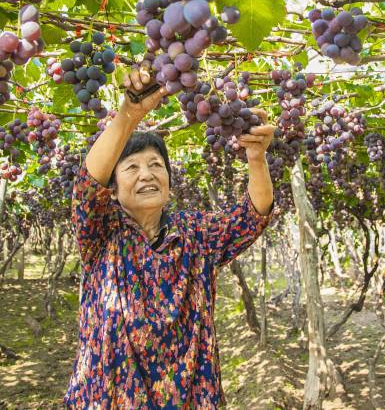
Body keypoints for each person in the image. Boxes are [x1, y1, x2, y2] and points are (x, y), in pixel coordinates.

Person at [64, 62, 277, 408]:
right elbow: (87, 185)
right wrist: (129, 115)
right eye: (132, 167)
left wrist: (256, 158)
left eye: (156, 165)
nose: (146, 174)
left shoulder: (195, 234)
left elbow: (253, 216)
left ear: (168, 180)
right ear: (113, 189)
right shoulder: (101, 232)